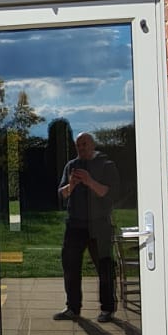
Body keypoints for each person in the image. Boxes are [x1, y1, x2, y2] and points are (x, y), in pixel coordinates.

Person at [54, 132, 120, 323]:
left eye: (84, 144)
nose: (81, 148)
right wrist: (71, 185)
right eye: (78, 145)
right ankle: (72, 308)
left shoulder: (106, 165)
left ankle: (107, 309)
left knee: (105, 267)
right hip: (75, 224)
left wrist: (90, 181)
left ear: (92, 145)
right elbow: (61, 195)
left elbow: (110, 193)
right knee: (70, 267)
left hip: (99, 224)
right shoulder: (71, 166)